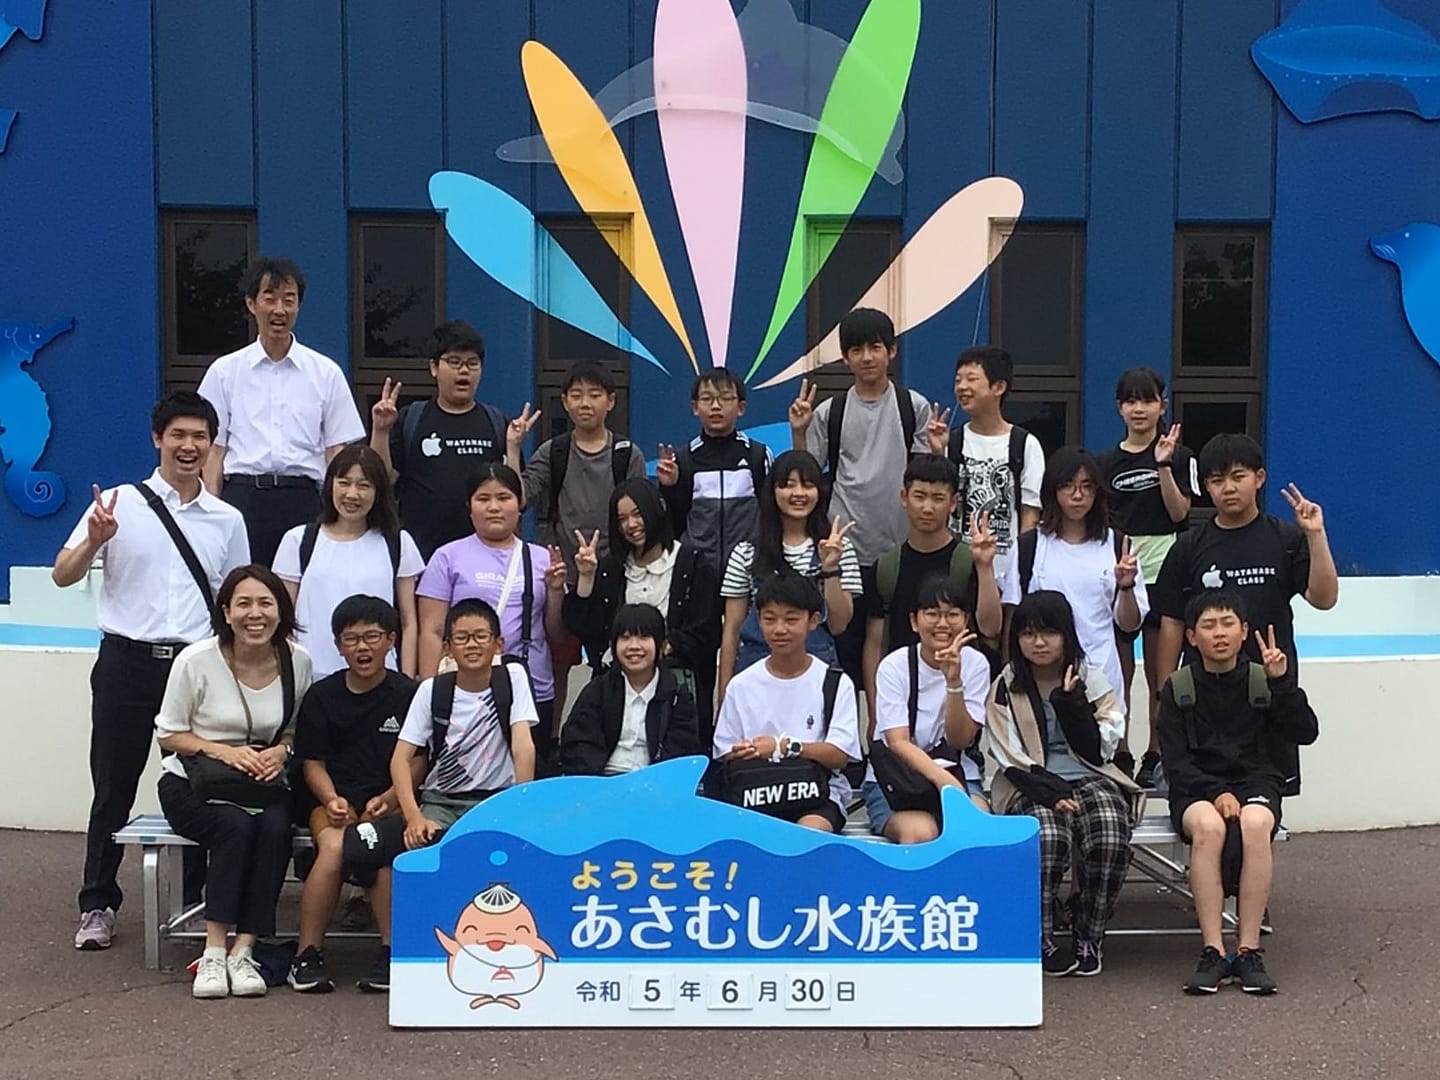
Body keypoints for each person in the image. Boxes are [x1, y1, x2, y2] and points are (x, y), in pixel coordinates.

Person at [53, 391, 250, 952]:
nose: (189, 446)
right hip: (125, 664)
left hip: (195, 668)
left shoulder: (227, 519)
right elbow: (63, 574)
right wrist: (95, 540)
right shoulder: (117, 504)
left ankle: (195, 902)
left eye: (199, 437)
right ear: (157, 438)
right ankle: (97, 903)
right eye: (178, 435)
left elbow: (237, 599)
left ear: (211, 445)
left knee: (201, 784)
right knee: (112, 786)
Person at [154, 565, 315, 999]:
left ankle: (244, 949)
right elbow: (169, 733)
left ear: (281, 611)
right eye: (243, 604)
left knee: (276, 827)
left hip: (263, 782)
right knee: (235, 827)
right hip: (194, 783)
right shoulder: (195, 660)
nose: (254, 614)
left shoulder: (298, 661)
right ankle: (213, 950)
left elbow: (295, 731)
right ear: (226, 612)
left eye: (265, 603)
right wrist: (225, 752)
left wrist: (280, 753)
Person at [1152, 433, 1338, 795]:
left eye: (1238, 476)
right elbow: (1172, 621)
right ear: (1206, 487)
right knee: (1205, 797)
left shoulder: (1285, 538)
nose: (1228, 488)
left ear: (1259, 478)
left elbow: (1324, 598)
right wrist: (1164, 691)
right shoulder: (1188, 547)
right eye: (1217, 480)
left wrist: (1315, 536)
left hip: (1269, 691)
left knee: (1264, 801)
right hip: (1205, 698)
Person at [1157, 590, 1319, 995]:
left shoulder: (1264, 679)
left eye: (1228, 623)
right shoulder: (1178, 687)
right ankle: (1213, 950)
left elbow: (1306, 732)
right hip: (1195, 787)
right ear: (1192, 637)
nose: (1219, 633)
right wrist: (1215, 792)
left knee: (1256, 822)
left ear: (1244, 631)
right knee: (1209, 829)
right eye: (1209, 626)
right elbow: (1175, 763)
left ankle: (1248, 950)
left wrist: (1282, 684)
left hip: (1256, 783)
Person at [984, 591, 1140, 978]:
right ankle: (1039, 934)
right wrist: (1053, 793)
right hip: (1029, 783)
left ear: (1066, 635)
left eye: (1049, 633)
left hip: (1091, 775)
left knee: (1109, 833)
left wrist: (1072, 706)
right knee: (1047, 838)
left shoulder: (1090, 678)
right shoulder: (1006, 685)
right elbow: (1006, 753)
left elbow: (1103, 747)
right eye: (1028, 634)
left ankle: (1089, 930)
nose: (1038, 643)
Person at [787, 308, 932, 682]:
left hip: (899, 552)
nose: (867, 357)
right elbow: (805, 474)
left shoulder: (913, 407)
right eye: (856, 349)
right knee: (845, 652)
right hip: (844, 554)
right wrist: (799, 431)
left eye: (875, 347)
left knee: (899, 654)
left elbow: (927, 481)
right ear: (845, 357)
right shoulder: (830, 412)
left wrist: (940, 451)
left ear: (892, 351)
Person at [287, 595, 418, 995]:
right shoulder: (321, 696)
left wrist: (391, 798)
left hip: (387, 801)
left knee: (379, 849)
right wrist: (331, 799)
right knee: (332, 847)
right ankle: (307, 954)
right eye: (351, 638)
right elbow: (312, 762)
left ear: (391, 640)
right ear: (338, 645)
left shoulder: (410, 694)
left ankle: (391, 954)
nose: (363, 647)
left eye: (372, 637)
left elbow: (419, 759)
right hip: (332, 802)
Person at [198, 257, 365, 566]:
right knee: (241, 586)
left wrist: (337, 513)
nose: (280, 309)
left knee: (305, 586)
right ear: (251, 304)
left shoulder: (325, 372)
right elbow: (213, 451)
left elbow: (337, 451)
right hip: (243, 497)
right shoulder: (225, 371)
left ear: (298, 306)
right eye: (270, 299)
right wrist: (212, 510)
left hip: (303, 499)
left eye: (289, 300)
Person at [1002, 447, 1147, 775]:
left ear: (1098, 492)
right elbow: (1014, 618)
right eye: (1067, 485)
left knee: (1099, 761)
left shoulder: (1116, 544)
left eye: (1086, 486)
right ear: (1052, 491)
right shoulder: (1030, 547)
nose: (1077, 495)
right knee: (1043, 759)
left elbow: (1129, 625)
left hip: (1100, 673)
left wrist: (1125, 585)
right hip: (1041, 675)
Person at [518, 359, 645, 713]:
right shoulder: (553, 452)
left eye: (594, 394)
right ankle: (554, 737)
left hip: (615, 581)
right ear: (564, 401)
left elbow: (642, 514)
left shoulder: (626, 454)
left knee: (617, 666)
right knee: (556, 667)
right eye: (576, 395)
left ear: (611, 401)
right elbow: (519, 498)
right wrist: (514, 449)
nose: (585, 403)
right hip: (562, 582)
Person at [416, 464, 566, 756]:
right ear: (469, 507)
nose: (494, 507)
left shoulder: (541, 558)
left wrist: (557, 591)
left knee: (529, 770)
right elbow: (432, 630)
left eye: (504, 497)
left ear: (519, 504)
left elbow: (556, 632)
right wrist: (431, 689)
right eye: (483, 499)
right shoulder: (447, 557)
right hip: (463, 689)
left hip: (529, 687)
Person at [1096, 368, 1199, 787]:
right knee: (1118, 675)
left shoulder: (1181, 455)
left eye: (1147, 400)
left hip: (1166, 575)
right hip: (1120, 575)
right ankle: (1119, 751)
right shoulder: (1104, 463)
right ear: (1119, 408)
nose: (1139, 409)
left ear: (1162, 405)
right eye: (1130, 401)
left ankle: (1156, 755)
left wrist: (1163, 465)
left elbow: (1180, 512)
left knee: (1161, 676)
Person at [562, 478, 720, 736]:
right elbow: (584, 627)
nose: (631, 525)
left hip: (676, 691)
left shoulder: (693, 564)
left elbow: (708, 632)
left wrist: (665, 647)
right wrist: (587, 577)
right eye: (622, 519)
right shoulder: (611, 568)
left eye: (637, 514)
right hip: (615, 689)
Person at [713, 573, 862, 833]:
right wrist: (746, 751)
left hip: (817, 794)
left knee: (806, 834)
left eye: (791, 619)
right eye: (769, 619)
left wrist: (782, 747)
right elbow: (725, 751)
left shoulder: (834, 682)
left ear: (813, 620)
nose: (779, 629)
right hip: (755, 792)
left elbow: (839, 754)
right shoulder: (741, 684)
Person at [860, 453, 1003, 722]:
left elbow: (991, 628)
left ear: (953, 503)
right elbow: (875, 643)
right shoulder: (886, 567)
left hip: (961, 689)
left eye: (938, 498)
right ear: (904, 498)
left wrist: (985, 567)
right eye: (919, 496)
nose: (927, 507)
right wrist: (874, 710)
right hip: (901, 695)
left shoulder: (968, 560)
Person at [368, 320, 524, 561]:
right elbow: (382, 481)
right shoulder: (412, 418)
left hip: (484, 560)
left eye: (472, 363)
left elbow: (517, 498)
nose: (464, 370)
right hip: (420, 556)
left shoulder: (496, 422)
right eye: (454, 362)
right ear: (434, 367)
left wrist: (513, 448)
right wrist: (380, 430)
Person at [390, 599, 539, 850]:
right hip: (441, 802)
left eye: (481, 636)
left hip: (498, 800)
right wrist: (414, 817)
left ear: (498, 644)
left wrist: (520, 806)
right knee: (427, 848)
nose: (471, 644)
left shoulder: (513, 678)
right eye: (461, 638)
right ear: (447, 648)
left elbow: (523, 744)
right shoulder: (431, 690)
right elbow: (400, 759)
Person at [718, 449, 862, 702]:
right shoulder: (746, 552)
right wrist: (724, 696)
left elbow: (839, 625)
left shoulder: (840, 548)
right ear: (773, 492)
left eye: (807, 485)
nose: (798, 493)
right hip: (755, 673)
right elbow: (732, 629)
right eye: (788, 485)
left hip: (815, 672)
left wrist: (830, 567)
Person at [273, 444, 424, 679]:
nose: (352, 494)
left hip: (380, 679)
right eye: (344, 483)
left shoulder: (398, 542)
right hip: (311, 676)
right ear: (330, 484)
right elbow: (283, 618)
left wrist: (406, 679)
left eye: (364, 485)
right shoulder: (298, 540)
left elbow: (409, 622)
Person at [862, 577, 993, 844]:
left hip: (958, 771)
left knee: (975, 830)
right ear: (914, 621)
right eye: (932, 614)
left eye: (952, 615)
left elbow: (960, 740)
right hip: (897, 778)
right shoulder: (894, 665)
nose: (942, 623)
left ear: (965, 620)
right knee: (922, 833)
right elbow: (897, 741)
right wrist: (943, 782)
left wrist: (954, 682)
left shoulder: (976, 664)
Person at [924, 345, 1045, 578]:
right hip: (955, 571)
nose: (962, 387)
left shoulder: (1025, 445)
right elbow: (938, 500)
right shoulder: (952, 441)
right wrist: (938, 453)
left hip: (1005, 573)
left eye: (971, 379)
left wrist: (1020, 571)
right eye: (958, 380)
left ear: (999, 387)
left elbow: (1030, 513)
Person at [554, 603, 703, 775]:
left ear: (661, 646)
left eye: (644, 637)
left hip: (654, 783)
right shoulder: (598, 690)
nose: (634, 646)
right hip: (603, 782)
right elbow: (578, 745)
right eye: (625, 638)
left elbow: (682, 751)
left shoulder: (676, 696)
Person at [656, 366, 771, 581]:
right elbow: (674, 522)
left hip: (747, 572)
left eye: (725, 398)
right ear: (695, 407)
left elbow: (772, 514)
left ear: (741, 407)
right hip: (697, 575)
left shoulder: (758, 455)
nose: (716, 406)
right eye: (707, 399)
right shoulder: (683, 459)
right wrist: (669, 487)